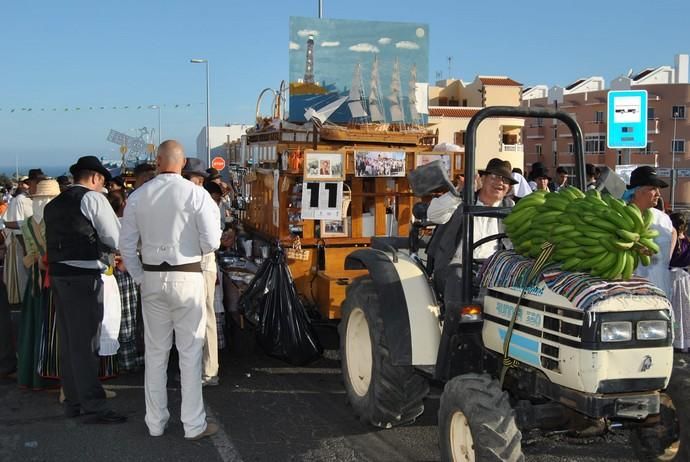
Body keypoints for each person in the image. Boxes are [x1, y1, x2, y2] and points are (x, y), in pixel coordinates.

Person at [120, 140, 221, 440]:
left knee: (155, 352)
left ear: (158, 161)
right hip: (187, 276)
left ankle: (155, 422)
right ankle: (193, 425)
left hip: (151, 277)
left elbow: (126, 246)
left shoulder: (138, 196)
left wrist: (140, 276)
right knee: (189, 352)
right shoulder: (196, 194)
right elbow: (212, 242)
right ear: (181, 163)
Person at [44, 156, 126, 424]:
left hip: (59, 275)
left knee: (69, 342)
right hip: (84, 276)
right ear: (95, 178)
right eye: (102, 181)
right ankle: (93, 405)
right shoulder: (92, 199)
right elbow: (114, 237)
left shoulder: (54, 203)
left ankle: (73, 400)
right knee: (86, 342)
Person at [427, 158, 517, 305]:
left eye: (505, 180)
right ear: (482, 178)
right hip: (458, 265)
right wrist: (458, 193)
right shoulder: (461, 200)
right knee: (458, 279)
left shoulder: (510, 207)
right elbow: (434, 215)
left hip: (493, 270)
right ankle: (453, 325)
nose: (500, 182)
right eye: (494, 176)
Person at [16, 179, 60, 390]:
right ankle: (48, 375)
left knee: (34, 328)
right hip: (49, 280)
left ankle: (34, 375)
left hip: (35, 279)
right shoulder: (56, 222)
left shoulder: (26, 223)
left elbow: (30, 255)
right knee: (49, 327)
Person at [185, 158, 222, 387]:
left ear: (196, 180)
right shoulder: (198, 201)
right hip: (197, 262)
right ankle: (200, 369)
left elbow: (211, 242)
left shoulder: (204, 202)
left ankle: (209, 371)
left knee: (205, 316)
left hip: (202, 261)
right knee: (195, 317)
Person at [106, 189, 143, 373]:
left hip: (112, 273)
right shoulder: (124, 224)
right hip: (127, 272)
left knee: (116, 316)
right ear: (123, 205)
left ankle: (116, 360)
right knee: (130, 316)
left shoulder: (108, 223)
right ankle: (129, 360)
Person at [624, 166, 675, 298]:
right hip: (632, 294)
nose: (658, 194)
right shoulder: (620, 217)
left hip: (662, 292)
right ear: (637, 191)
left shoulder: (663, 218)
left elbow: (673, 232)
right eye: (653, 188)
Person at [3, 169, 44, 304]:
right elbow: (23, 221)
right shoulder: (22, 200)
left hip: (23, 237)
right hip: (22, 238)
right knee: (22, 269)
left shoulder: (20, 199)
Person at [669, 212, 690, 351]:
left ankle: (676, 338)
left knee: (675, 310)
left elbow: (668, 257)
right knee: (684, 311)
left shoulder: (672, 237)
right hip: (685, 279)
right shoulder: (687, 241)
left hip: (673, 278)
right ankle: (683, 341)